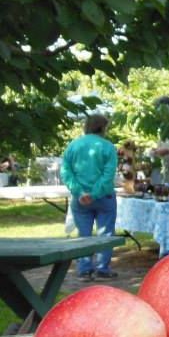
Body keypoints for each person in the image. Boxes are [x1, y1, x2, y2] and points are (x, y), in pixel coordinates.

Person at [61, 113, 119, 281]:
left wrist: (80, 192)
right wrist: (94, 194)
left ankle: (84, 269)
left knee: (84, 234)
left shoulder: (73, 146)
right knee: (106, 233)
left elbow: (66, 172)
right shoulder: (108, 147)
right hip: (104, 196)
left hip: (80, 199)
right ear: (102, 127)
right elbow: (108, 175)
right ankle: (102, 268)